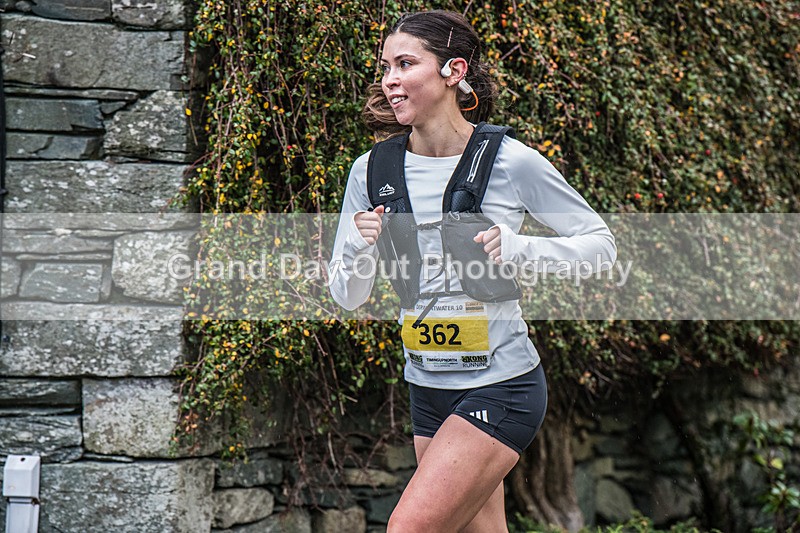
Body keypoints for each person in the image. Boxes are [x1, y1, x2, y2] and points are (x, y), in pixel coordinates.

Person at [329, 10, 616, 532]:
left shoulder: (511, 161)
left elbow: (601, 247)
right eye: (385, 66)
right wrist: (356, 246)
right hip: (427, 387)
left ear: (453, 70)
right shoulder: (370, 171)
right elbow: (347, 296)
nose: (390, 79)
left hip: (502, 385)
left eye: (406, 63)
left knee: (409, 528)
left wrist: (520, 249)